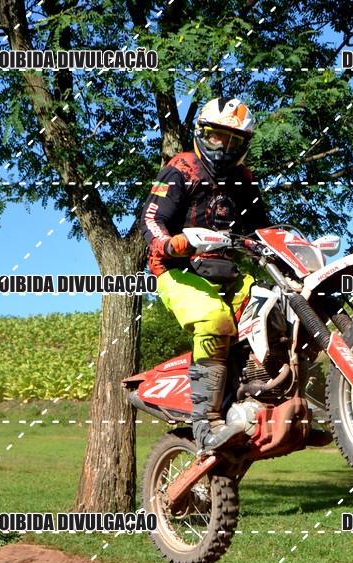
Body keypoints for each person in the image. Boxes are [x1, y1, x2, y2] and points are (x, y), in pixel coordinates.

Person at [139, 98, 271, 455]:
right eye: (216, 136)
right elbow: (151, 218)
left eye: (233, 141)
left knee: (275, 308)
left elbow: (263, 229)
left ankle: (264, 396)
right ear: (201, 133)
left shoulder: (244, 180)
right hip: (177, 270)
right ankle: (206, 424)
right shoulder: (181, 169)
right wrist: (169, 244)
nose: (223, 147)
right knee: (214, 318)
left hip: (226, 272)